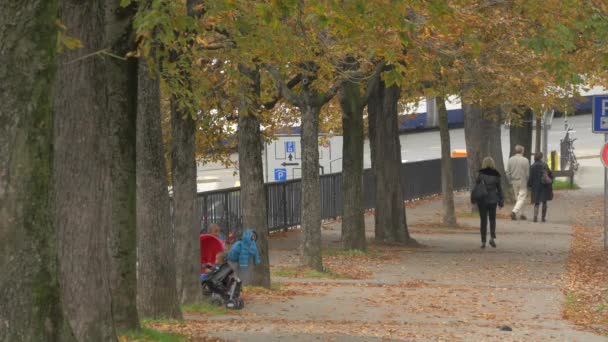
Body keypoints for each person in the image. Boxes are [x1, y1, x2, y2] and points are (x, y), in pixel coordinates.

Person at [473, 157, 504, 249]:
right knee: (492, 219)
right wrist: (501, 200)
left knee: (483, 220)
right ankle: (492, 238)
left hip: (482, 199)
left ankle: (483, 241)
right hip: (493, 199)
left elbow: (477, 185)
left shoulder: (481, 174)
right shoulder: (496, 174)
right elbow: (499, 188)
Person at [528, 152, 554, 222]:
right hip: (544, 186)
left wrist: (529, 185)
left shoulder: (532, 166)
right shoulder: (544, 165)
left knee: (536, 202)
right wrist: (551, 181)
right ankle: (543, 218)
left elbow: (531, 177)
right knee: (544, 202)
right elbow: (550, 174)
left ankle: (535, 217)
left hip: (536, 186)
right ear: (541, 157)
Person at [506, 145, 530, 220]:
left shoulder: (510, 159)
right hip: (522, 181)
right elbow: (527, 173)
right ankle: (514, 211)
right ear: (522, 151)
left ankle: (522, 214)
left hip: (514, 180)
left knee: (518, 198)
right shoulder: (525, 160)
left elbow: (508, 172)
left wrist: (509, 180)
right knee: (522, 198)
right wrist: (527, 180)